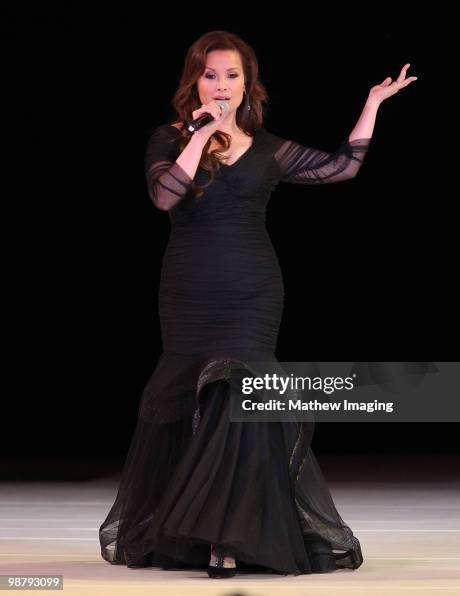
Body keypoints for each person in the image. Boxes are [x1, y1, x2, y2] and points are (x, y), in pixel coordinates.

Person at [99, 30, 417, 579]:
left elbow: (343, 166)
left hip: (251, 289)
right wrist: (201, 135)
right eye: (210, 74)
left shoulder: (268, 147)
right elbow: (164, 196)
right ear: (194, 80)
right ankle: (194, 533)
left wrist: (371, 105)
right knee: (192, 391)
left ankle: (228, 537)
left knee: (242, 395)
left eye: (232, 75)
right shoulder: (168, 137)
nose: (221, 85)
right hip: (188, 290)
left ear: (248, 84)